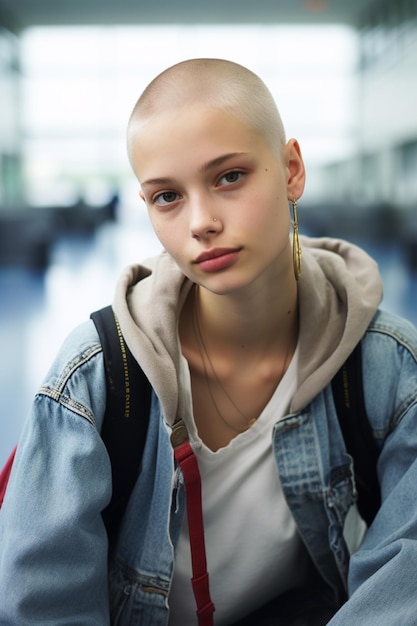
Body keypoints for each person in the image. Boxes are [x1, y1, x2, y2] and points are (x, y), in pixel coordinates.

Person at [0, 58, 417, 626]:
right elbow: (44, 607)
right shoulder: (95, 379)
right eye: (167, 196)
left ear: (292, 169)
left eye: (229, 177)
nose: (201, 222)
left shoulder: (387, 366)